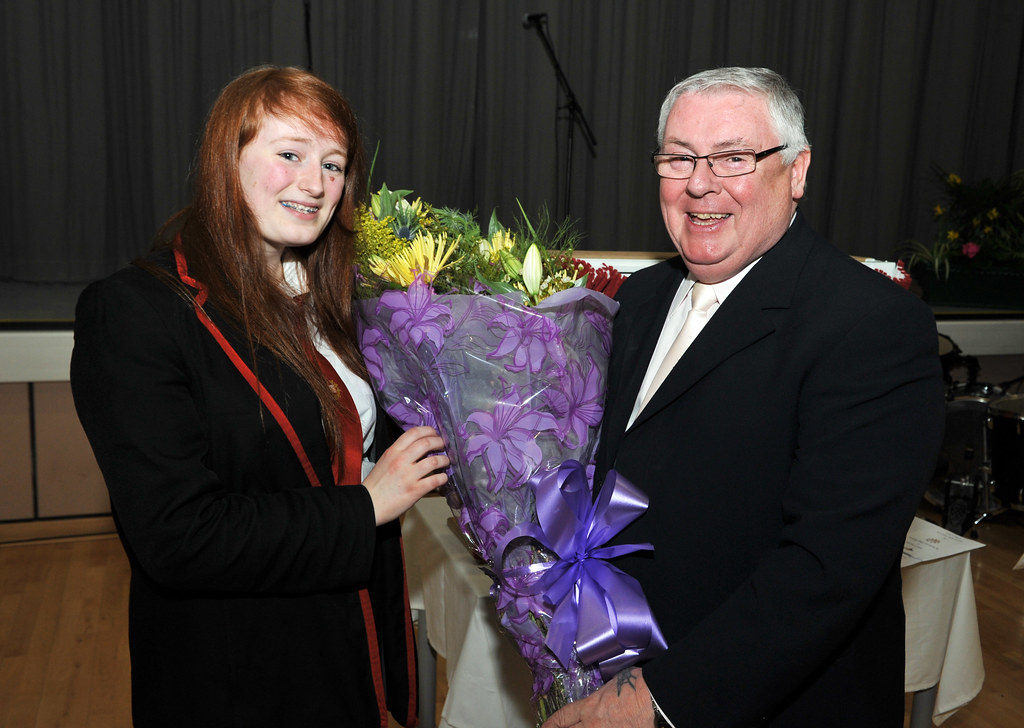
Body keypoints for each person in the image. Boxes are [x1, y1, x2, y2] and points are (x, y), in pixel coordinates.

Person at [543, 67, 944, 727]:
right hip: (617, 661)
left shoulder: (869, 323)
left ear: (797, 171)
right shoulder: (638, 301)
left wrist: (658, 699)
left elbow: (828, 567)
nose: (700, 183)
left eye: (733, 157)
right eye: (678, 158)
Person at [71, 66, 449, 728]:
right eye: (290, 155)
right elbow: (178, 537)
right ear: (228, 160)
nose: (315, 183)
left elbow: (359, 445)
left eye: (334, 165)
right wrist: (366, 505)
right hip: (238, 675)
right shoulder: (135, 312)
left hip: (343, 654)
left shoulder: (337, 298)